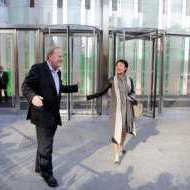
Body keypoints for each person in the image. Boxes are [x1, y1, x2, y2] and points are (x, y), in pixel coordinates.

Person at [21, 46, 80, 188]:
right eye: (59, 56)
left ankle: (38, 167)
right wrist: (33, 97)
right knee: (47, 146)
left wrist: (75, 87)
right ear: (50, 57)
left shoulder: (57, 72)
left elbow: (59, 88)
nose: (61, 59)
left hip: (53, 115)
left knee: (44, 144)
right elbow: (26, 85)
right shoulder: (39, 68)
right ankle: (47, 174)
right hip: (42, 115)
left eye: (62, 56)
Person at [86, 59, 136, 166]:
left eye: (121, 66)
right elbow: (102, 91)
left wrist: (131, 97)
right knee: (116, 131)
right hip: (116, 110)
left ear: (125, 68)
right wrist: (88, 97)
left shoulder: (130, 80)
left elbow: (133, 92)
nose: (118, 67)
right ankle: (116, 155)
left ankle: (122, 144)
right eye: (117, 65)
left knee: (125, 130)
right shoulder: (112, 80)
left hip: (127, 109)